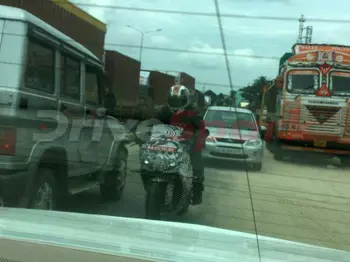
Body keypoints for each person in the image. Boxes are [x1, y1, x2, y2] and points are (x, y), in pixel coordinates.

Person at [154, 84, 207, 205]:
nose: (175, 103)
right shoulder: (164, 111)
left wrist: (198, 137)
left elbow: (201, 128)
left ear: (186, 100)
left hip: (186, 145)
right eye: (173, 100)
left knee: (197, 162)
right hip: (165, 144)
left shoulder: (193, 112)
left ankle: (197, 192)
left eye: (178, 100)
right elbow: (152, 122)